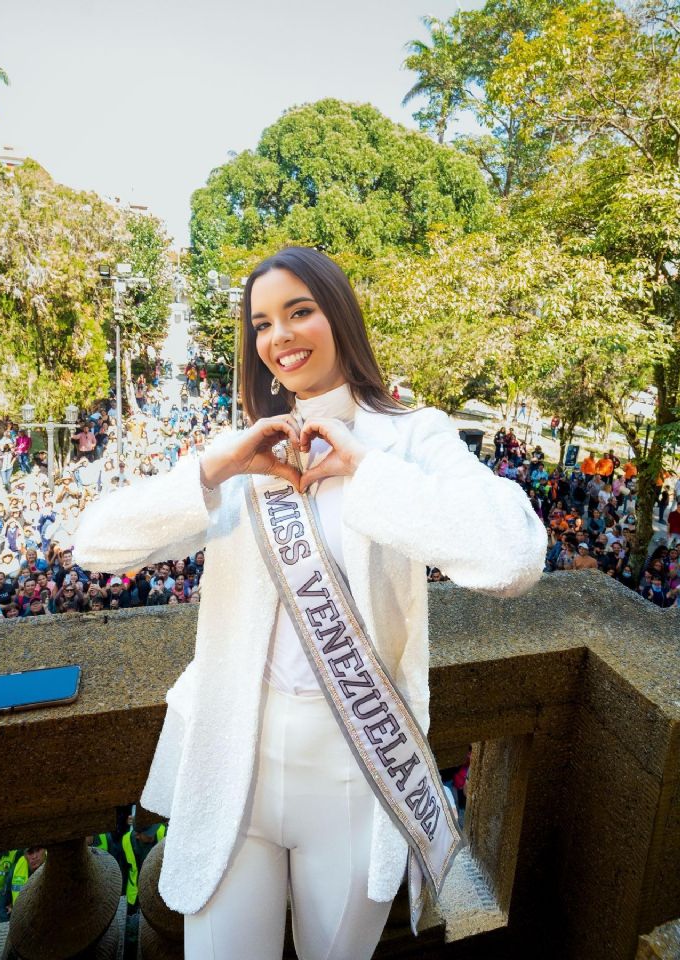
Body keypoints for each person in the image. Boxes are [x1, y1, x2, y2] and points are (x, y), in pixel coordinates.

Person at [75, 247, 547, 960]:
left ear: (340, 316)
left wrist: (367, 471)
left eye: (300, 311)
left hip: (355, 768)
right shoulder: (244, 449)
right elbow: (95, 545)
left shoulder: (411, 436)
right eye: (262, 323)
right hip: (235, 759)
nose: (281, 337)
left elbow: (513, 558)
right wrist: (218, 466)